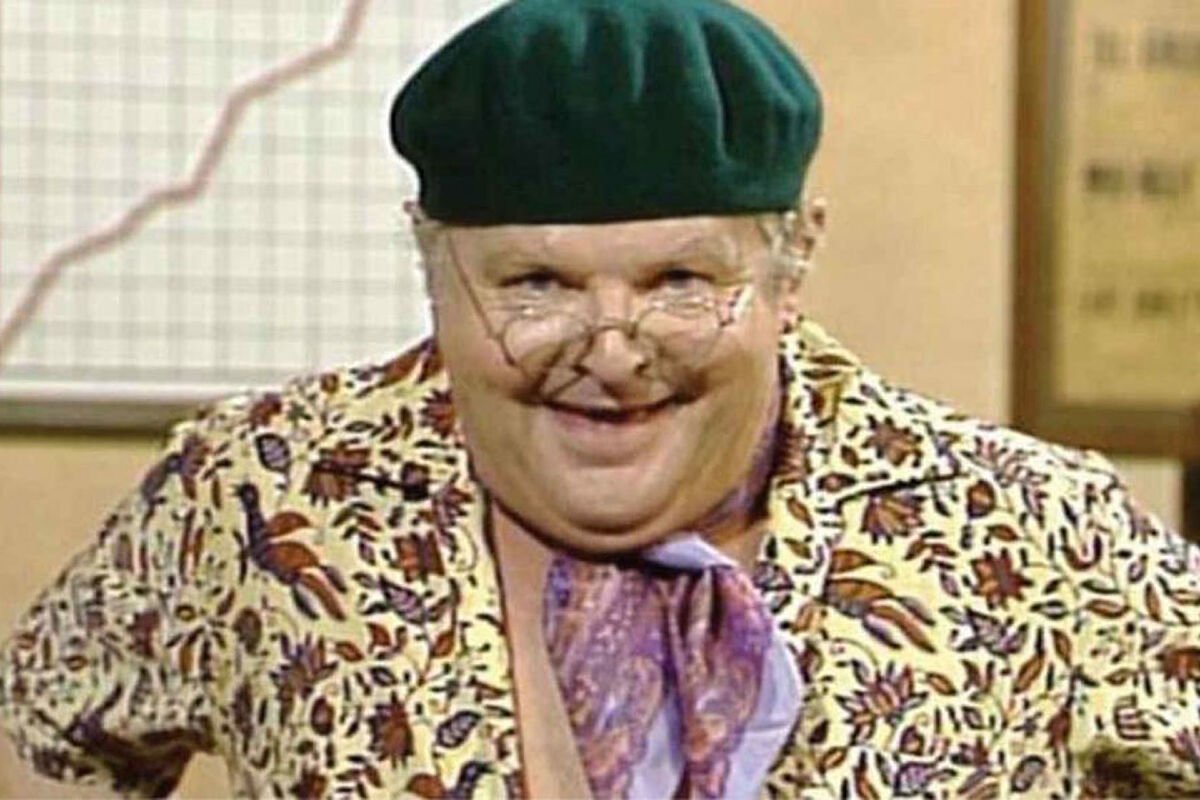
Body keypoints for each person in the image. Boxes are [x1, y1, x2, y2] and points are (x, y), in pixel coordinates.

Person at [3, 0, 1200, 797]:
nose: (614, 352)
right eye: (537, 283)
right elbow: (53, 734)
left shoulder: (1031, 528)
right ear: (433, 266)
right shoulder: (258, 497)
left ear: (790, 268)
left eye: (681, 281)